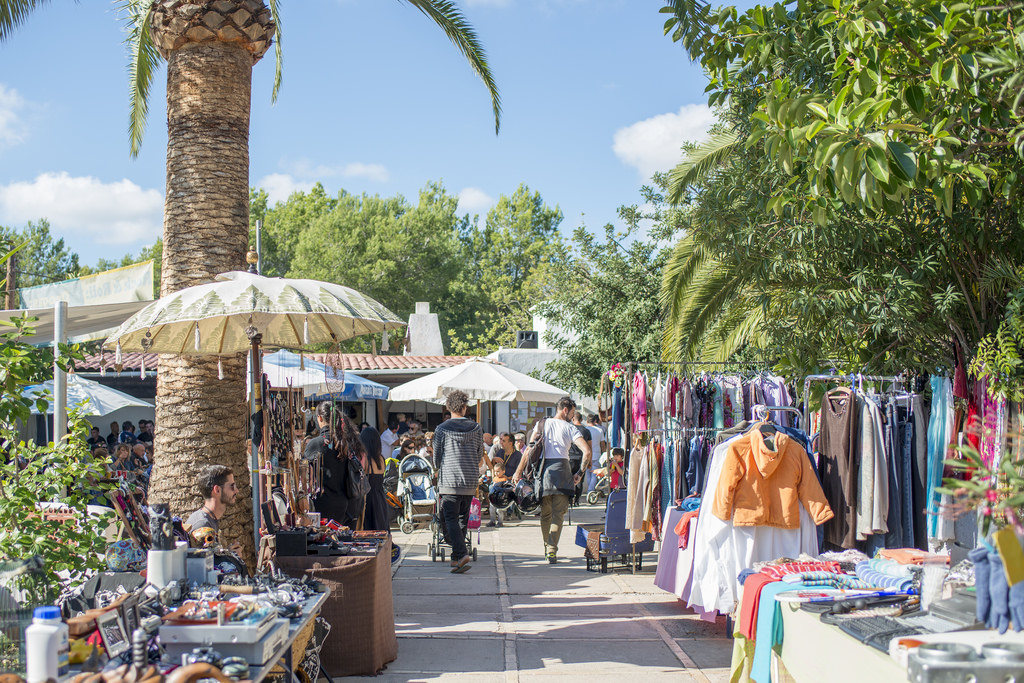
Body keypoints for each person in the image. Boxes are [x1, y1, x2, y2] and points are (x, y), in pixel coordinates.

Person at [513, 396, 590, 563]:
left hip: (544, 472)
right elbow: (587, 452)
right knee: (558, 515)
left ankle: (547, 547)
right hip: (563, 472)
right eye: (572, 412)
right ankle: (552, 549)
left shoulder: (542, 424)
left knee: (545, 514)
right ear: (565, 409)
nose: (572, 416)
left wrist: (518, 472)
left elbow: (528, 450)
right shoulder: (570, 428)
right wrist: (580, 473)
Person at [433, 390, 483, 574]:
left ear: (449, 407)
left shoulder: (441, 429)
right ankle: (456, 558)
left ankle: (461, 553)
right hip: (470, 481)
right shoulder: (476, 428)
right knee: (462, 518)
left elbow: (437, 457)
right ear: (464, 407)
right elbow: (478, 455)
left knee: (451, 518)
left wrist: (439, 467)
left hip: (450, 480)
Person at [305, 402, 366, 528]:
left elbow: (304, 473)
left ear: (320, 418)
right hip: (343, 503)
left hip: (321, 503)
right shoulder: (344, 443)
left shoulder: (315, 444)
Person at [185, 464, 242, 553]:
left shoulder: (210, 519)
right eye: (232, 486)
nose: (236, 490)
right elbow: (205, 564)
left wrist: (227, 552)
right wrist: (230, 555)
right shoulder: (202, 525)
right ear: (217, 490)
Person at [487, 432, 522, 528]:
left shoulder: (518, 455)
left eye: (503, 441)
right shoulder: (500, 452)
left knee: (501, 494)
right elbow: (493, 467)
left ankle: (500, 521)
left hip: (509, 482)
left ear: (510, 443)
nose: (501, 443)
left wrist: (508, 478)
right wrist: (494, 460)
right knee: (492, 491)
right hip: (498, 480)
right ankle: (492, 520)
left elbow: (519, 472)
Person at [568, 411, 593, 506]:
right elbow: (589, 447)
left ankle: (570, 499)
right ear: (582, 419)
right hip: (582, 458)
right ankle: (577, 500)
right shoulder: (586, 431)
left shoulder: (570, 429)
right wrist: (589, 460)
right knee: (580, 479)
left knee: (569, 479)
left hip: (570, 458)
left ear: (573, 418)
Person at [585, 414, 608, 495]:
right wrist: (604, 453)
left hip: (587, 454)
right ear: (595, 421)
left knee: (588, 474)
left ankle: (590, 490)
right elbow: (602, 444)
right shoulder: (599, 430)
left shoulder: (585, 430)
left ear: (587, 421)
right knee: (595, 474)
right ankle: (590, 491)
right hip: (597, 454)